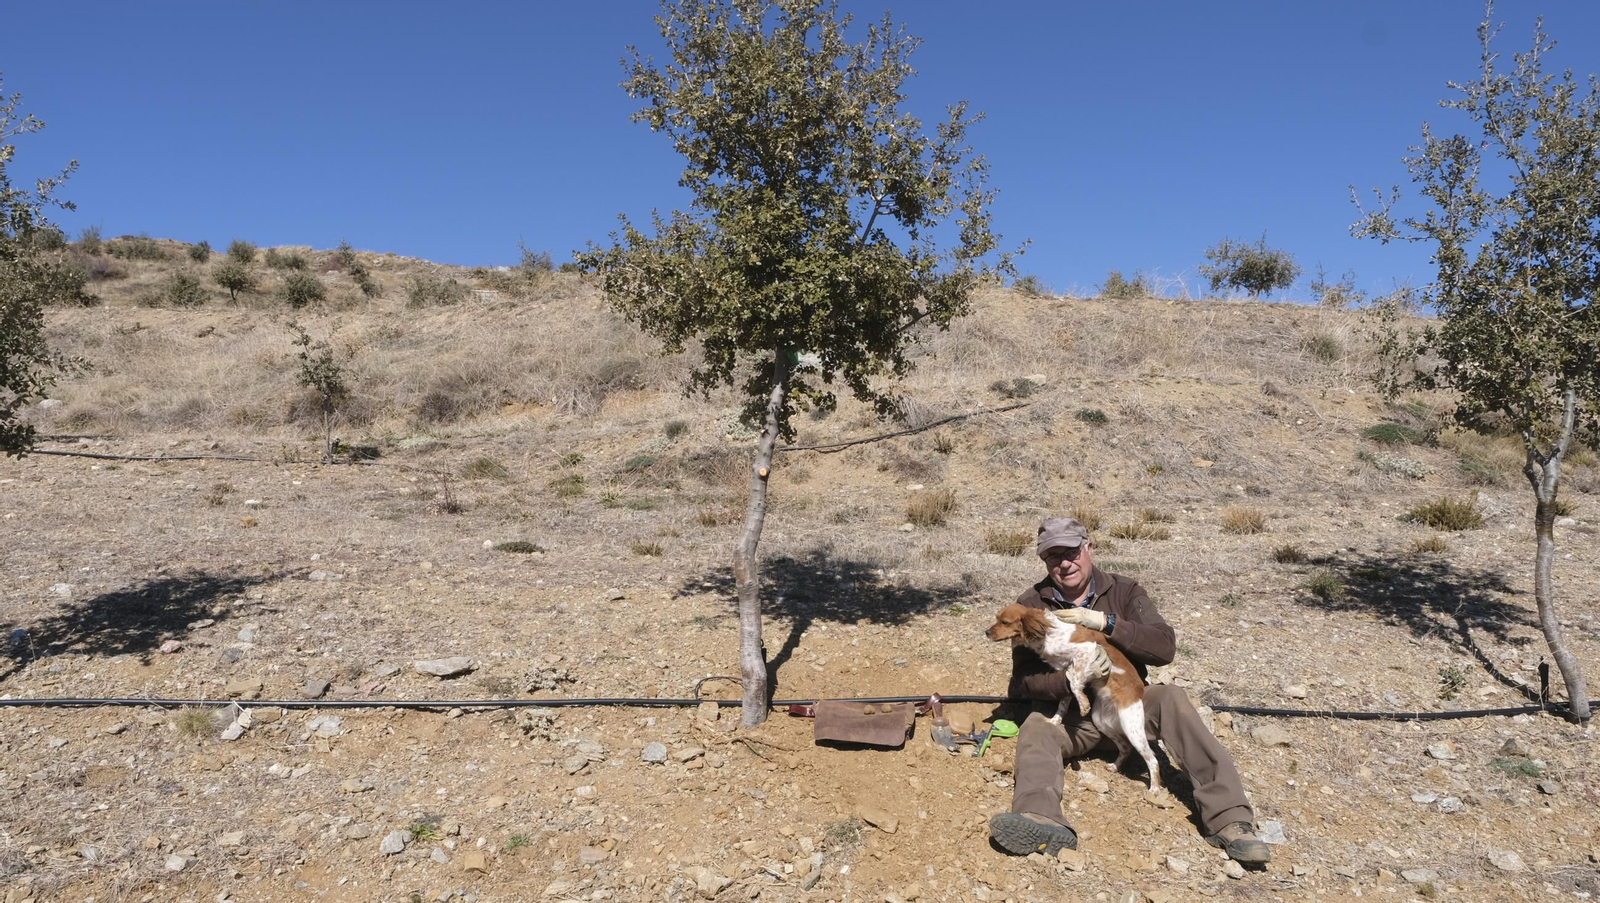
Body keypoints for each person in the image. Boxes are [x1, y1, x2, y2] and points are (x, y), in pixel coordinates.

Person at [987, 516, 1271, 865]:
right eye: (1053, 556)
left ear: (1088, 548)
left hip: (1125, 702)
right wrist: (1068, 681)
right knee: (1036, 726)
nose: (1064, 563)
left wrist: (1109, 623)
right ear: (1044, 561)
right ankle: (1040, 818)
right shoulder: (1031, 604)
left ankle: (1229, 818)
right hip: (1076, 721)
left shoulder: (1124, 591)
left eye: (1072, 552)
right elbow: (1022, 681)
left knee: (1172, 698)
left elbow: (1164, 648)